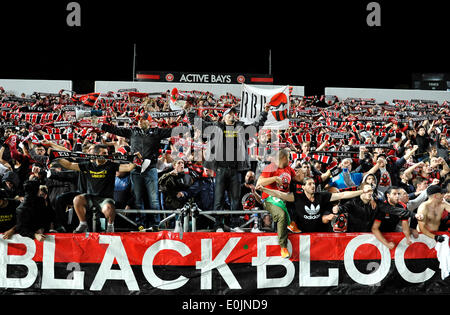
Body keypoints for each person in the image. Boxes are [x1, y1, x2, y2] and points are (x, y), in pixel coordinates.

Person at [187, 102, 270, 230]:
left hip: (235, 170)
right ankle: (218, 225)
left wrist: (264, 112)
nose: (232, 115)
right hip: (220, 169)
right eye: (230, 114)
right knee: (218, 200)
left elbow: (255, 126)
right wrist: (190, 112)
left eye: (233, 114)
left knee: (235, 199)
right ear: (224, 116)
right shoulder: (216, 127)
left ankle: (235, 225)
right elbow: (201, 124)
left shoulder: (240, 128)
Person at [257, 177, 366, 258]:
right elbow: (280, 195)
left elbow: (342, 195)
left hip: (319, 234)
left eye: (313, 183)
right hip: (301, 235)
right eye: (309, 184)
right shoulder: (297, 197)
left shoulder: (321, 196)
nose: (313, 186)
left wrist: (362, 191)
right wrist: (265, 190)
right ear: (303, 187)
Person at [98, 114, 173, 227]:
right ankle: (140, 224)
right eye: (138, 120)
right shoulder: (132, 132)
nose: (139, 122)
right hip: (135, 169)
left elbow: (173, 131)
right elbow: (116, 130)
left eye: (142, 120)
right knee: (137, 199)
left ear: (149, 122)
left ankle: (156, 224)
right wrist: (101, 125)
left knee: (154, 200)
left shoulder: (157, 132)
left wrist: (188, 127)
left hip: (151, 169)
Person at [57, 144, 137, 233]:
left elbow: (129, 167)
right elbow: (69, 165)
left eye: (107, 153)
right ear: (96, 154)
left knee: (109, 208)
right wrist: (56, 158)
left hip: (105, 199)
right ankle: (83, 224)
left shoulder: (111, 165)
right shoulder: (88, 165)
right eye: (104, 153)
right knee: (77, 199)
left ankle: (110, 226)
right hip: (90, 197)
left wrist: (136, 160)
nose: (107, 155)